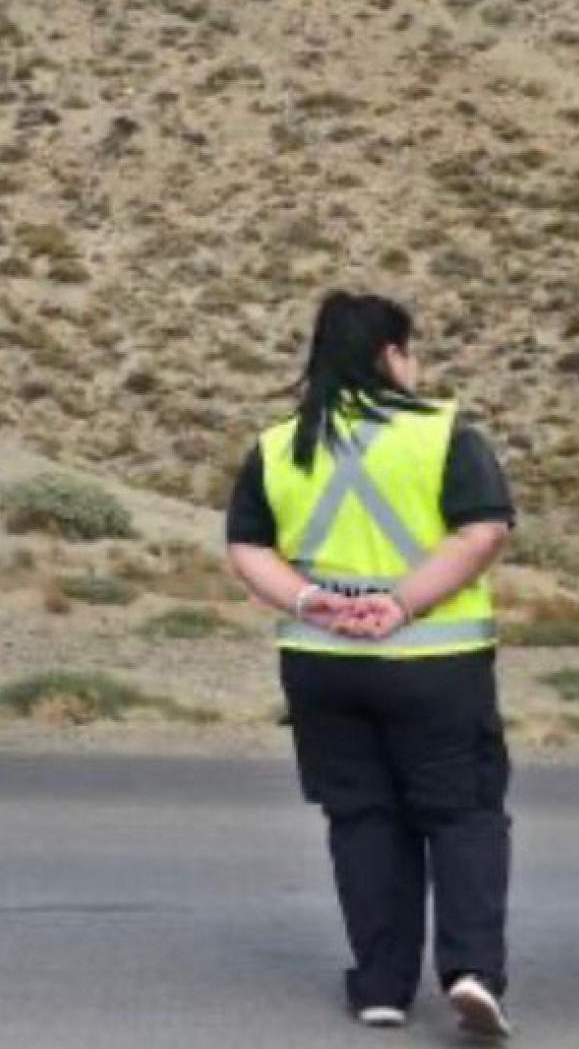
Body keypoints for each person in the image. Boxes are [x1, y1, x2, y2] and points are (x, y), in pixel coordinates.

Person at [228, 291, 517, 1039]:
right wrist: (402, 605)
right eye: (409, 350)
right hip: (436, 661)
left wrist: (308, 601)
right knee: (463, 816)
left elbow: (247, 547)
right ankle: (472, 972)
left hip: (322, 663)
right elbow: (481, 532)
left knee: (362, 819)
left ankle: (382, 987)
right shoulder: (445, 433)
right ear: (392, 355)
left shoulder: (279, 444)